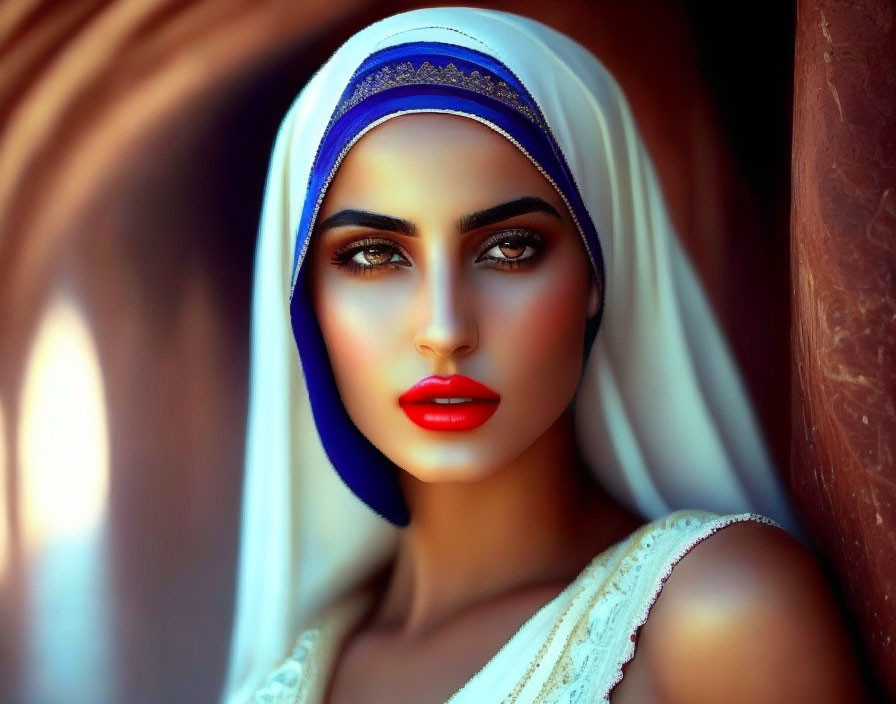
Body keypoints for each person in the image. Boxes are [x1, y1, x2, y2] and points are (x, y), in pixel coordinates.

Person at [223, 8, 867, 703]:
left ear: (596, 272)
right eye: (375, 255)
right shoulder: (296, 666)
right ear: (302, 297)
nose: (444, 328)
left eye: (509, 249)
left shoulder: (719, 616)